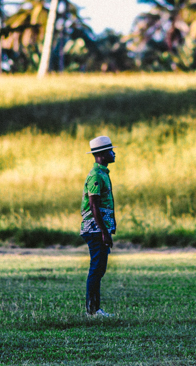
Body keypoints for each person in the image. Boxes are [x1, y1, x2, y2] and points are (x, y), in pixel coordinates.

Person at [81, 135, 116, 317]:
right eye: (110, 150)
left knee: (99, 268)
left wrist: (111, 225)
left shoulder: (102, 174)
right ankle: (92, 311)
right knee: (96, 269)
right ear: (102, 154)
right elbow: (94, 205)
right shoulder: (96, 175)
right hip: (95, 229)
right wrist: (104, 231)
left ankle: (94, 309)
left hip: (100, 229)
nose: (114, 153)